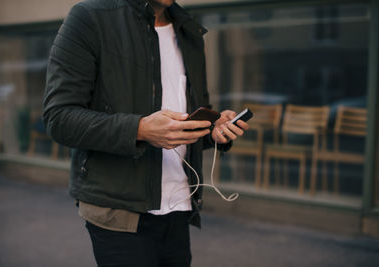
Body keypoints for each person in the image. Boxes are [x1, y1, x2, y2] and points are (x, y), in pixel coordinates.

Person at [43, 0, 249, 266]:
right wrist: (140, 129)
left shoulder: (189, 31)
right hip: (119, 211)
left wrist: (214, 128)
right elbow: (59, 118)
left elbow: (189, 119)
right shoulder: (90, 17)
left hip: (179, 205)